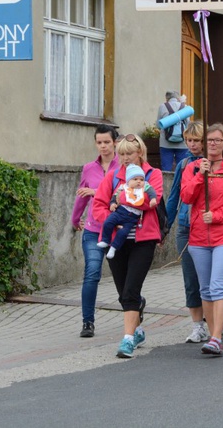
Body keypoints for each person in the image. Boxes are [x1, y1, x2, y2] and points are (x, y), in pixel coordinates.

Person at [180, 123, 223, 355]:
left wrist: (217, 216)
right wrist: (201, 174)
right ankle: (211, 334)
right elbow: (187, 196)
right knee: (205, 289)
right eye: (209, 140)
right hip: (199, 238)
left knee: (218, 286)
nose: (212, 144)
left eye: (218, 140)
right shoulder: (193, 168)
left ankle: (217, 337)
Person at [92, 134, 163, 358]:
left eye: (129, 154)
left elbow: (152, 201)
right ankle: (138, 329)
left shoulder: (153, 175)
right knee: (123, 292)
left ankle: (128, 340)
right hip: (117, 240)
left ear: (140, 153)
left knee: (131, 289)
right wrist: (112, 221)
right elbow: (99, 206)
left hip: (144, 240)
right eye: (121, 154)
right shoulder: (113, 177)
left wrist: (123, 202)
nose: (124, 158)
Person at [71, 124, 120, 338]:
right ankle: (87, 322)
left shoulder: (124, 166)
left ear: (115, 143)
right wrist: (75, 219)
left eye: (107, 142)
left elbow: (123, 194)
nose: (103, 146)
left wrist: (95, 191)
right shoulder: (89, 168)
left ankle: (133, 306)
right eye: (99, 142)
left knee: (123, 278)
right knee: (92, 273)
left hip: (118, 230)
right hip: (93, 229)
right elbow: (82, 195)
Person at [165, 122, 209, 343]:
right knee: (190, 279)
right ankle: (197, 326)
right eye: (189, 140)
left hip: (208, 226)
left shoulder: (214, 163)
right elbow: (174, 198)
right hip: (185, 227)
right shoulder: (183, 164)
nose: (192, 145)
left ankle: (218, 313)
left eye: (197, 140)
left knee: (209, 278)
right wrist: (164, 227)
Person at [98, 164, 158, 260]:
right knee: (108, 222)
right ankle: (105, 240)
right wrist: (113, 203)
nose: (139, 181)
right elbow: (115, 196)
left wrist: (153, 199)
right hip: (119, 212)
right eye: (135, 179)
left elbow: (152, 192)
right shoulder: (123, 187)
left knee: (123, 233)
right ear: (128, 180)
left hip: (132, 217)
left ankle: (113, 248)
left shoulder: (145, 186)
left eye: (141, 179)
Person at [157, 90, 189, 171]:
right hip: (182, 143)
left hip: (166, 143)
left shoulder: (162, 106)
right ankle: (181, 183)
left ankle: (167, 183)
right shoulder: (184, 107)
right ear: (178, 97)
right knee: (183, 168)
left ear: (167, 98)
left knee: (166, 168)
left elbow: (158, 125)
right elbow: (188, 125)